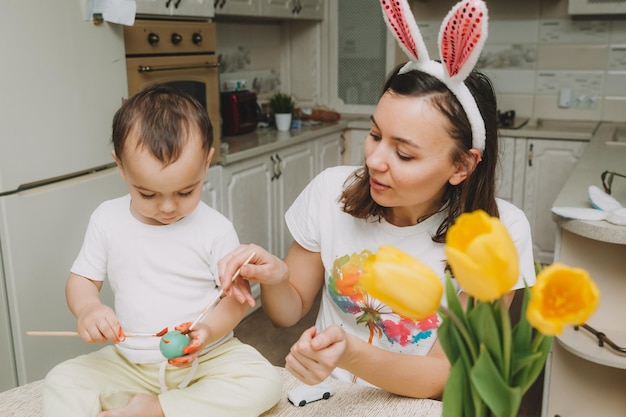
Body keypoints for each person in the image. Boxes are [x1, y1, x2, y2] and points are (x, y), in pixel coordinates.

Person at [218, 0, 535, 400]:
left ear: (462, 166)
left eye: (404, 154)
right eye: (374, 134)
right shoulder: (330, 192)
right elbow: (285, 314)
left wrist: (350, 353)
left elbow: (443, 375)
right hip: (325, 397)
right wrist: (278, 278)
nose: (375, 160)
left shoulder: (501, 234)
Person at [43, 85, 282, 417]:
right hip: (129, 363)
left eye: (186, 191)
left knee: (265, 382)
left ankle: (156, 409)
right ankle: (159, 405)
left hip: (207, 359)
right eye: (147, 194)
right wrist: (87, 310)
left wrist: (207, 331)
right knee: (63, 379)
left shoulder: (215, 229)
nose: (168, 208)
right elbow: (82, 280)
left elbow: (233, 300)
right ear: (121, 167)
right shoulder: (106, 219)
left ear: (206, 162)